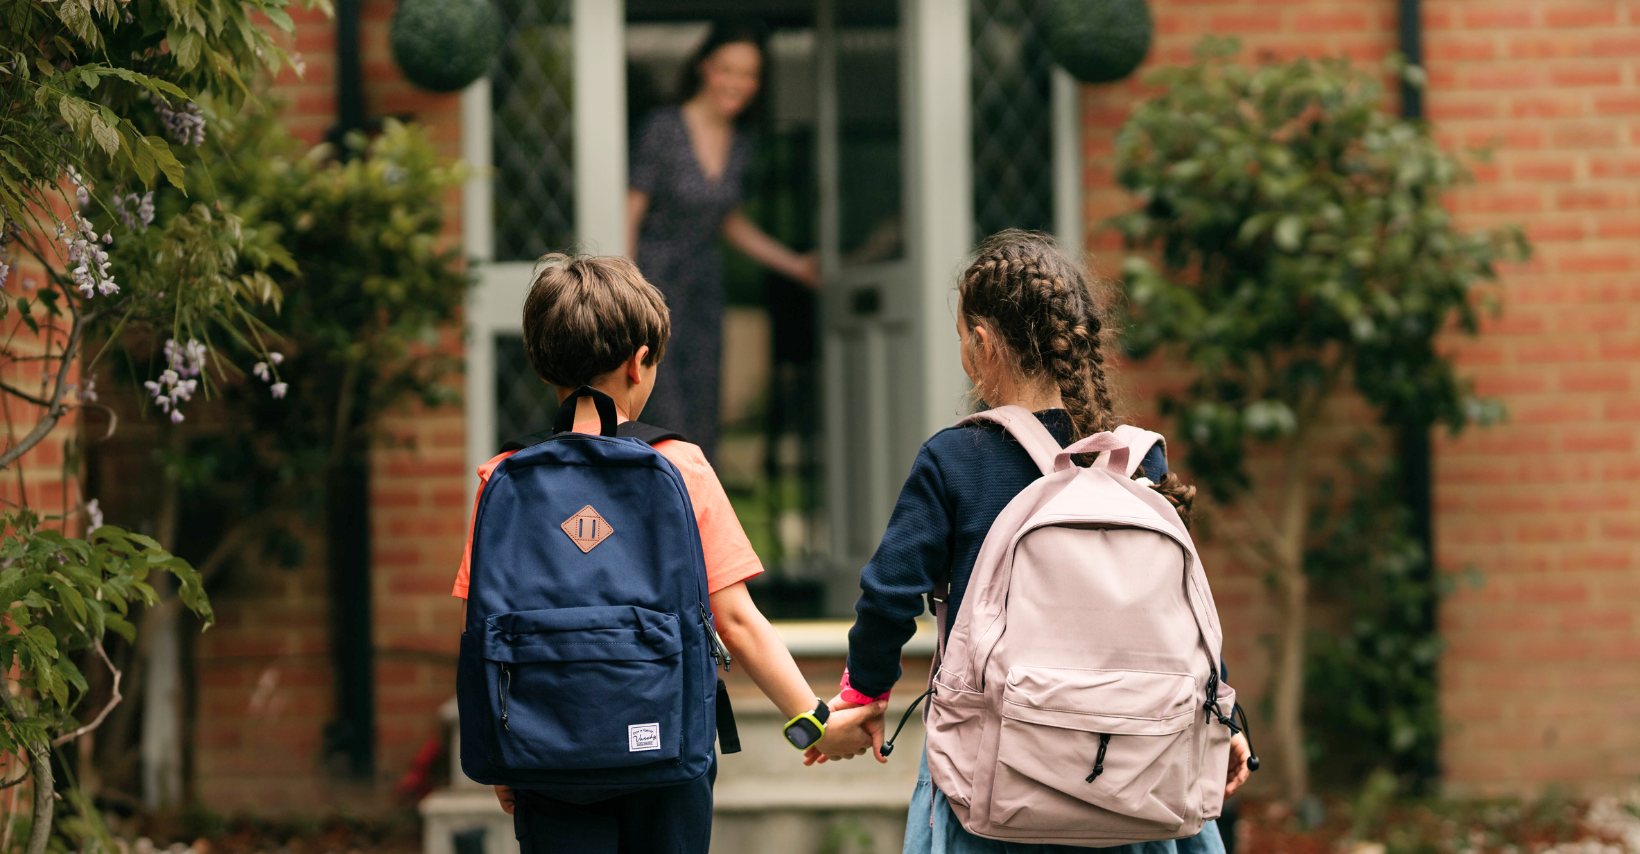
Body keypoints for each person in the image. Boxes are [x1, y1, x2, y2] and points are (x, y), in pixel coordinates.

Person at [807, 232, 1253, 853]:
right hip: (1137, 778)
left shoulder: (955, 459)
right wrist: (1223, 717)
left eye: (962, 335)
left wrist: (866, 691)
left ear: (982, 344)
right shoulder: (1131, 463)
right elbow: (1180, 613)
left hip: (1000, 782)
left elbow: (888, 596)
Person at [451, 255, 880, 853]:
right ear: (640, 362)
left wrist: (500, 755)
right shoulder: (680, 465)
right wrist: (813, 721)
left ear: (542, 363)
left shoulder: (502, 476)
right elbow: (736, 620)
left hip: (544, 755)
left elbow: (481, 628)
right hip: (665, 749)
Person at [627, 19, 819, 463]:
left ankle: (696, 519)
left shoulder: (741, 142)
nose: (738, 83)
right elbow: (632, 210)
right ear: (704, 67)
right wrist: (627, 292)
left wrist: (796, 265)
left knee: (702, 410)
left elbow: (726, 221)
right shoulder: (663, 128)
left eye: (749, 74)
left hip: (703, 288)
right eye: (727, 69)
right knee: (658, 408)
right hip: (653, 286)